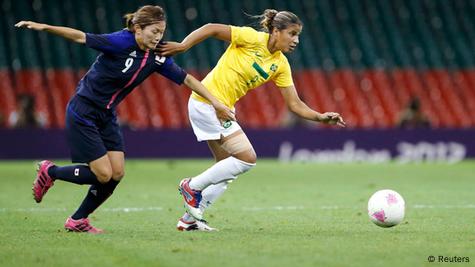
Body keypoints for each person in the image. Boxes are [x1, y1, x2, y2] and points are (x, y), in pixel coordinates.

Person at [15, 5, 234, 234]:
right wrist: (44, 27)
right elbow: (80, 36)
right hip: (84, 111)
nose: (158, 37)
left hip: (107, 115)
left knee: (116, 173)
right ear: (138, 28)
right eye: (154, 31)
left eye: (161, 32)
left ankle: (78, 220)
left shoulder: (156, 55)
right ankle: (51, 172)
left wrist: (216, 102)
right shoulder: (120, 42)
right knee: (103, 174)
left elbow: (187, 79)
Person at [158, 9, 346, 231]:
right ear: (276, 31)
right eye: (292, 34)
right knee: (247, 158)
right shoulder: (251, 38)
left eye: (298, 36)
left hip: (221, 109)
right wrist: (182, 46)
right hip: (206, 103)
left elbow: (294, 104)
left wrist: (321, 117)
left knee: (226, 169)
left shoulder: (281, 64)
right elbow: (211, 28)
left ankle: (188, 221)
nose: (296, 40)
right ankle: (191, 186)